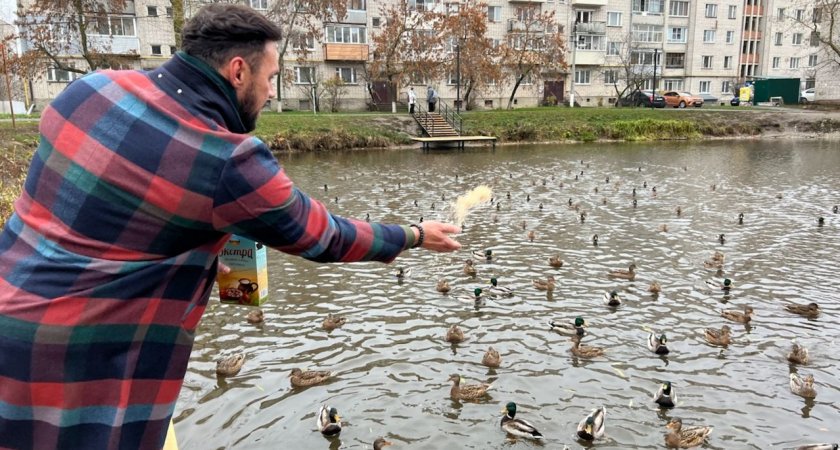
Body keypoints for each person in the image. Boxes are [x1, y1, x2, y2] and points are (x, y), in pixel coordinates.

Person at [0, 4, 460, 450]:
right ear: (238, 72)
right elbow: (324, 235)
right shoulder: (227, 160)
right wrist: (414, 234)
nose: (273, 92)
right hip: (82, 365)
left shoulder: (88, 91)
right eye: (272, 78)